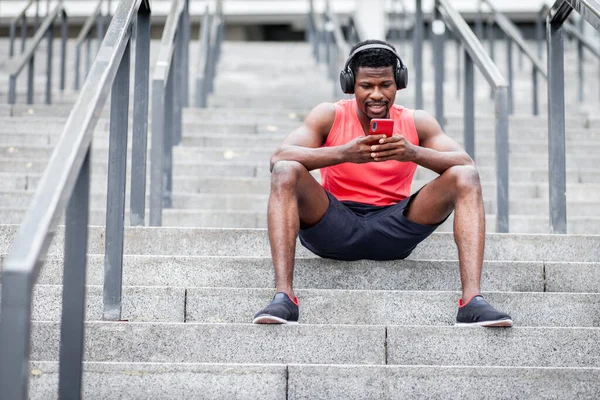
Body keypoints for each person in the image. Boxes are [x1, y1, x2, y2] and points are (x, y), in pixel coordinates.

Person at [253, 39, 512, 327]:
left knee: (465, 176)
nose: (377, 95)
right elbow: (278, 157)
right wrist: (343, 153)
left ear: (398, 83)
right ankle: (284, 298)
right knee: (286, 171)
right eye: (367, 86)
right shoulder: (330, 115)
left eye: (385, 85)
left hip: (394, 227)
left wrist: (413, 153)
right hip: (334, 225)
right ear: (351, 84)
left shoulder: (417, 122)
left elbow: (466, 163)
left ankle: (472, 302)